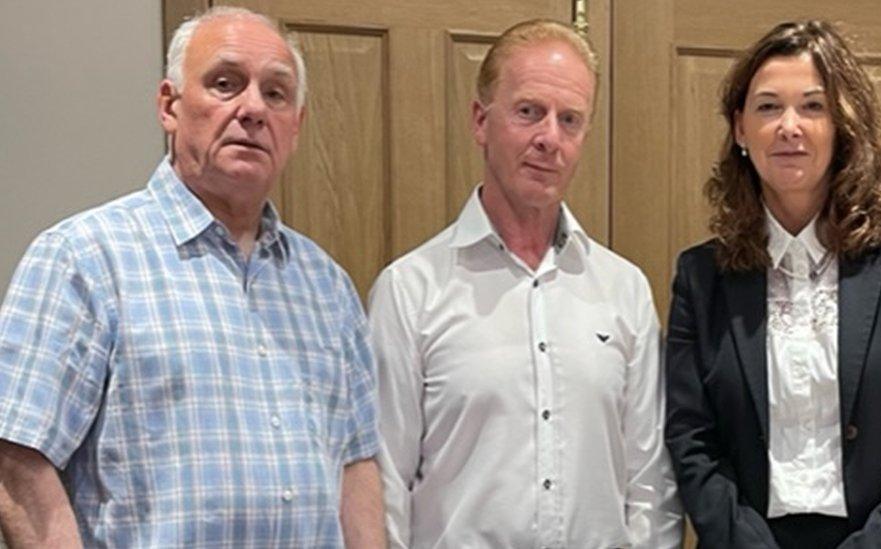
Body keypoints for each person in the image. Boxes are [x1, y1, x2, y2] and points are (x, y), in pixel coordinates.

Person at [0, 7, 384, 547]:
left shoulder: (328, 286)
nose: (252, 108)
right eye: (225, 84)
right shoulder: (83, 259)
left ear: (295, 126)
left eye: (276, 94)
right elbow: (17, 458)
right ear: (169, 106)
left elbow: (355, 466)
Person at [368, 18, 683, 548]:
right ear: (480, 120)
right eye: (528, 112)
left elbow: (650, 483)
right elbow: (383, 485)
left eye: (570, 120)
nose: (549, 139)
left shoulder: (623, 290)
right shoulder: (409, 291)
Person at [665, 19, 881, 548]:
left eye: (813, 106)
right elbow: (692, 442)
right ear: (740, 129)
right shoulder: (701, 278)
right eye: (768, 107)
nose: (790, 126)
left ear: (843, 125)